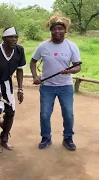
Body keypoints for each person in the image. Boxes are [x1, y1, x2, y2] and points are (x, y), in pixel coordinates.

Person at [30, 14, 81, 151]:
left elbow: (77, 66)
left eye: (60, 29)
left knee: (68, 114)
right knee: (45, 114)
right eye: (54, 29)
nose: (57, 31)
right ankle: (46, 137)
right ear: (50, 31)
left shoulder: (72, 46)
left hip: (65, 86)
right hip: (47, 87)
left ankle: (68, 138)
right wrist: (35, 76)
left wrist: (69, 71)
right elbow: (33, 61)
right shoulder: (43, 46)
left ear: (65, 31)